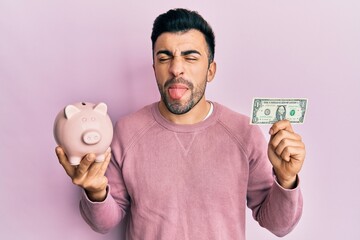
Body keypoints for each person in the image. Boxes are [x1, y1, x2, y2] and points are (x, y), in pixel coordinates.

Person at [56, 8, 305, 240]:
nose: (176, 69)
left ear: (210, 70)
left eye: (190, 57)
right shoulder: (126, 131)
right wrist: (96, 191)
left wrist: (286, 178)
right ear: (154, 68)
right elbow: (105, 223)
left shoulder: (244, 132)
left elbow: (279, 225)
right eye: (164, 58)